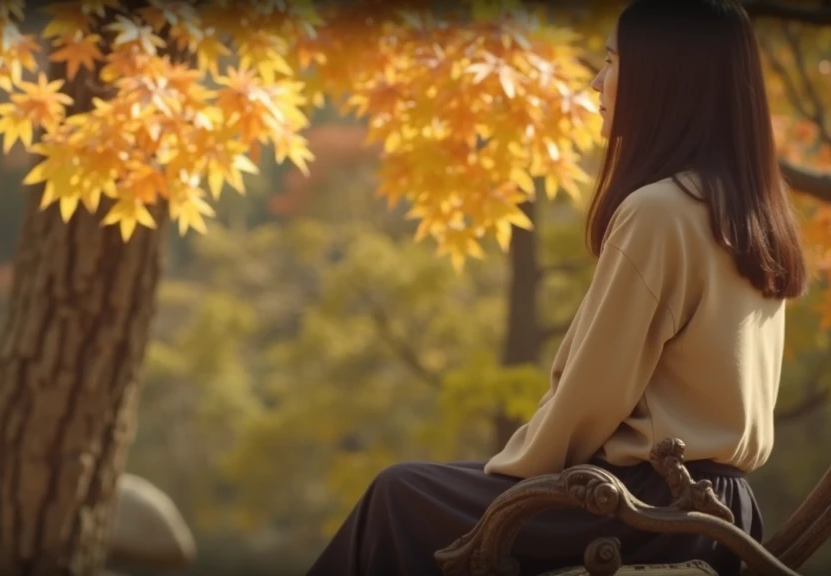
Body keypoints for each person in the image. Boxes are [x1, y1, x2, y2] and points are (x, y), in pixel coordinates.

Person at [305, 0, 809, 575]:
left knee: (398, 495)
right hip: (723, 512)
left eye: (612, 61)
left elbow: (589, 400)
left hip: (645, 508)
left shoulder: (662, 211)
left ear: (665, 80)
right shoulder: (752, 212)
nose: (597, 80)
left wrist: (512, 478)